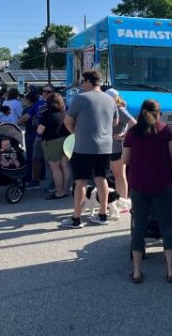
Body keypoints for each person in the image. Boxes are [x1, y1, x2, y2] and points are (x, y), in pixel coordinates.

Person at [122, 99, 172, 283]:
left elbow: (125, 159)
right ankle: (170, 270)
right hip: (162, 183)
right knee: (166, 226)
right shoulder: (165, 130)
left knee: (138, 226)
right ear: (158, 112)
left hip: (138, 184)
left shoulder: (132, 133)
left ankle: (137, 271)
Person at [62, 70, 118, 228]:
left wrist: (76, 133)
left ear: (87, 81)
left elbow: (67, 121)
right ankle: (102, 215)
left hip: (84, 146)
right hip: (106, 146)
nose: (81, 85)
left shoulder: (80, 98)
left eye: (82, 82)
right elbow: (115, 122)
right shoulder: (110, 99)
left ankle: (77, 218)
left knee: (80, 182)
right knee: (102, 178)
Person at [105, 88, 136, 201]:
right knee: (118, 175)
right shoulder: (115, 108)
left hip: (118, 147)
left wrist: (124, 135)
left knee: (120, 175)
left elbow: (133, 123)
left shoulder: (119, 109)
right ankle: (121, 200)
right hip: (114, 147)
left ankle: (123, 200)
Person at [38, 93, 70, 200]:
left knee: (55, 168)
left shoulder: (46, 114)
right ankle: (65, 190)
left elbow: (40, 130)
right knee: (65, 166)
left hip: (52, 142)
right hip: (65, 141)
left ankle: (59, 191)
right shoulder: (65, 113)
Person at [18, 91, 44, 188]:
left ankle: (31, 177)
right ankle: (41, 175)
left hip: (32, 133)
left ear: (28, 100)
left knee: (32, 157)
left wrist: (16, 123)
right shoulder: (42, 105)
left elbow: (23, 120)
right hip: (42, 133)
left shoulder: (29, 109)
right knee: (40, 157)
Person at [31, 85, 53, 191]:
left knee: (51, 161)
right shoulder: (37, 105)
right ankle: (35, 181)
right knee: (35, 158)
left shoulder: (58, 104)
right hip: (39, 135)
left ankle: (54, 182)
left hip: (51, 136)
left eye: (48, 92)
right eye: (43, 91)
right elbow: (29, 115)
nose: (45, 93)